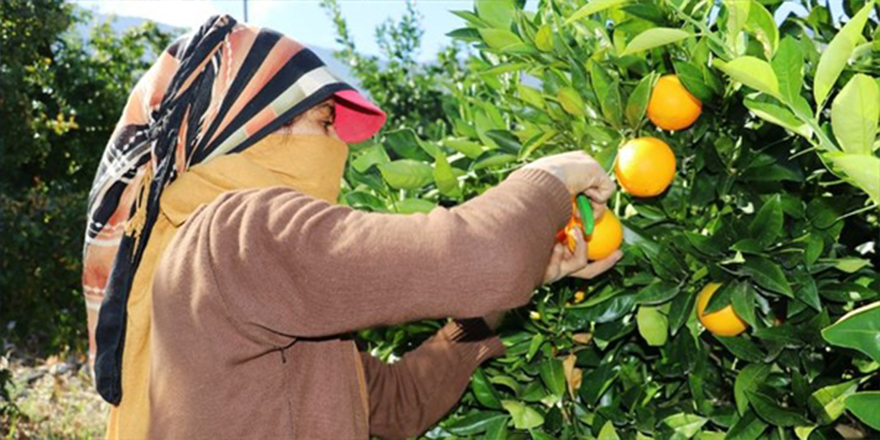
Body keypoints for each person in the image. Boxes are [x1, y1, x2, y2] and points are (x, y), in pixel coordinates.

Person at [82, 15, 621, 440]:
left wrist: (513, 285)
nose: (337, 147)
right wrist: (549, 177)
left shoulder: (203, 251)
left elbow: (393, 404)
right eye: (322, 123)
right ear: (253, 126)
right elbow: (484, 256)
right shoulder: (239, 233)